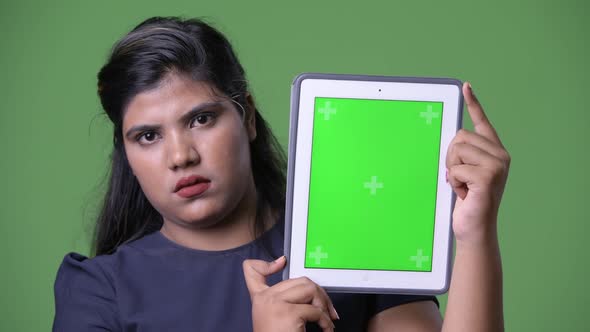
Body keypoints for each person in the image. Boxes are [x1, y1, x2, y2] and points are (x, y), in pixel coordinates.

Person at [52, 16, 510, 332]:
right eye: (148, 136)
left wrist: (475, 237)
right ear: (127, 153)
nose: (180, 156)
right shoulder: (98, 291)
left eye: (201, 119)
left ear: (247, 117)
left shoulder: (356, 245)